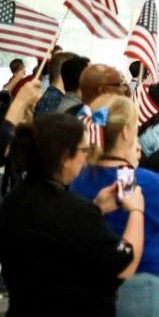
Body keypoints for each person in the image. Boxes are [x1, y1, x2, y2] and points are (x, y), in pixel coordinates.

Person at [69, 94, 159, 317]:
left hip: (94, 278)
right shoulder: (142, 181)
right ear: (126, 132)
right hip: (145, 278)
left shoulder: (79, 177)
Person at [0, 109, 145, 316]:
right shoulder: (75, 211)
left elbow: (59, 234)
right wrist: (137, 210)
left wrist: (96, 207)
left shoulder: (13, 202)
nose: (86, 158)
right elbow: (124, 265)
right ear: (65, 157)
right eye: (84, 151)